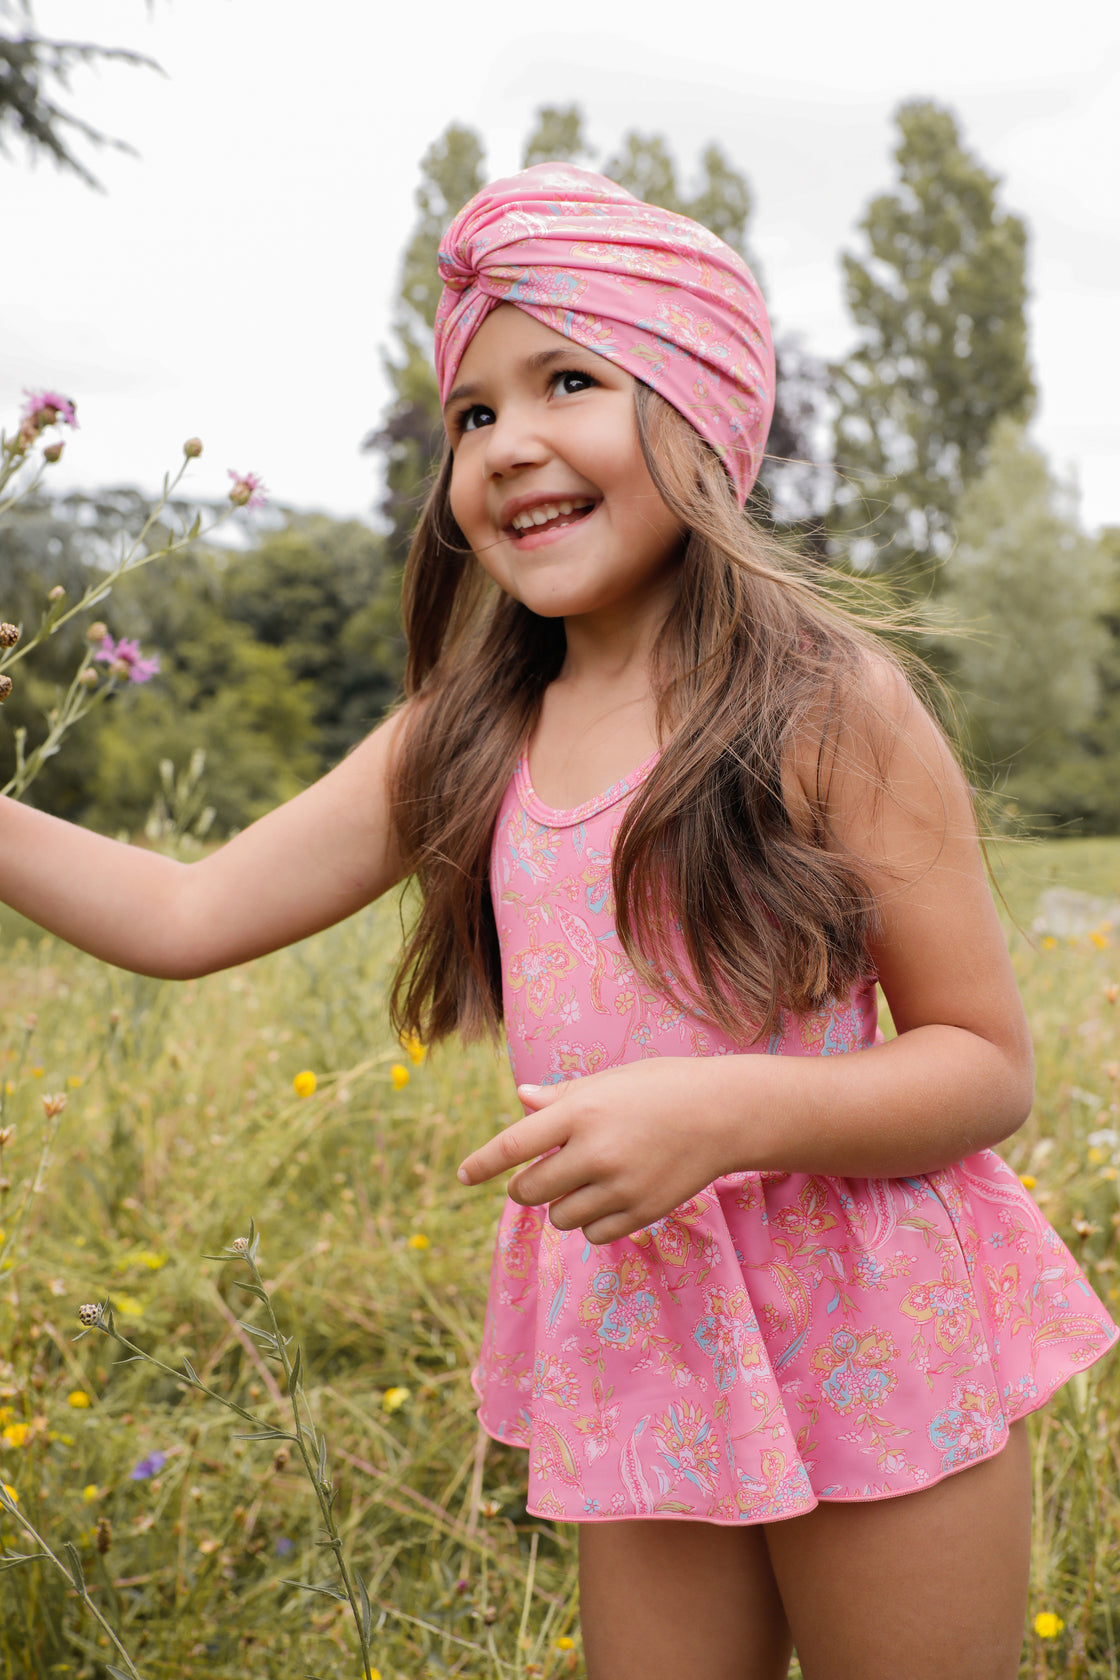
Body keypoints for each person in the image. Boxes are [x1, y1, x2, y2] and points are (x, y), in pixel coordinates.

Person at [1, 163, 1115, 1679]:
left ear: (702, 409)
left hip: (877, 1332)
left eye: (567, 380)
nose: (509, 443)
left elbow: (987, 1064)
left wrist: (720, 1111)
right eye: (472, 414)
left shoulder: (826, 705)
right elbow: (183, 910)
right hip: (651, 1330)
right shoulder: (463, 736)